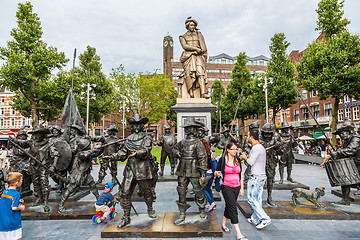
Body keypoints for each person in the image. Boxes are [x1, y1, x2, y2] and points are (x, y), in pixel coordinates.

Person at [106, 114, 157, 228]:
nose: (136, 127)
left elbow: (147, 150)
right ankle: (126, 217)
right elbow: (123, 152)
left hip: (143, 168)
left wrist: (137, 153)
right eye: (134, 125)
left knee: (146, 192)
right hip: (130, 169)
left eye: (138, 124)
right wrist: (111, 157)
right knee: (125, 193)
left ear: (142, 125)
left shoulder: (147, 137)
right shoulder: (129, 139)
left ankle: (150, 208)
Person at [173, 117, 207, 224]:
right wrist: (177, 153)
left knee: (197, 190)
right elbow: (175, 148)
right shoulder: (182, 142)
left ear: (194, 129)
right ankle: (182, 214)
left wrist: (202, 174)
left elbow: (202, 158)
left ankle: (202, 209)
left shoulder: (198, 143)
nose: (187, 130)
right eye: (186, 128)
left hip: (194, 169)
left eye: (189, 128)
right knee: (181, 191)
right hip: (182, 168)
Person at [321, 120, 360, 201]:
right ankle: (345, 200)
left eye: (343, 133)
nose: (341, 135)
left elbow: (352, 149)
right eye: (340, 134)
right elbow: (344, 149)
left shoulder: (356, 138)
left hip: (358, 162)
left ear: (349, 131)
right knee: (345, 181)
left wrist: (337, 153)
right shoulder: (346, 139)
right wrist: (335, 153)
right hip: (352, 163)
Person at [214, 142, 247, 240]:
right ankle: (239, 234)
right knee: (233, 208)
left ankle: (224, 225)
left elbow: (240, 174)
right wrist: (216, 173)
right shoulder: (222, 160)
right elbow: (216, 171)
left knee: (229, 206)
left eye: (236, 149)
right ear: (228, 150)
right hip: (226, 187)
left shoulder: (237, 160)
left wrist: (241, 188)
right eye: (233, 149)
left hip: (236, 187)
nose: (235, 151)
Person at [241, 130, 271, 230]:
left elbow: (250, 162)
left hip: (256, 177)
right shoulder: (259, 147)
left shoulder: (256, 147)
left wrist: (244, 157)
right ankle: (255, 218)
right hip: (260, 175)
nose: (247, 138)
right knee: (257, 198)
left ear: (252, 137)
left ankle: (264, 218)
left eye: (248, 136)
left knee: (251, 199)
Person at [178, 17, 209, 99]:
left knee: (200, 73)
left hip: (198, 56)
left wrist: (201, 51)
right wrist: (195, 49)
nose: (193, 27)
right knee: (189, 75)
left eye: (194, 25)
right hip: (188, 57)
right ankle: (191, 93)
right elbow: (185, 46)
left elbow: (204, 47)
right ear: (187, 26)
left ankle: (203, 93)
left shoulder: (199, 35)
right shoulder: (182, 37)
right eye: (191, 25)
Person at [0, 172, 25, 240]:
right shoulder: (16, 194)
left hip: (3, 221)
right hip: (13, 221)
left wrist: (18, 201)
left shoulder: (5, 192)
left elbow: (5, 202)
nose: (22, 182)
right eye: (21, 180)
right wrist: (21, 207)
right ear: (17, 183)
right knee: (16, 237)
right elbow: (14, 207)